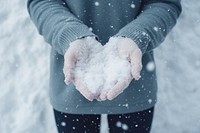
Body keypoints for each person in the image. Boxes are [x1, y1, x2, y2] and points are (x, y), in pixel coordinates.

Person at [27, 0, 182, 132]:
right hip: (73, 84)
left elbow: (165, 3)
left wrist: (137, 36)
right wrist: (70, 34)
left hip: (134, 85)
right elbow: (41, 2)